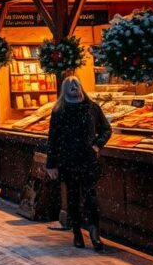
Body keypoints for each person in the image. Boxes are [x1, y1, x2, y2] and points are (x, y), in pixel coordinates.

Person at [45, 76, 111, 250]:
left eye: (77, 85)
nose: (74, 88)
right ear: (65, 90)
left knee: (91, 197)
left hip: (88, 160)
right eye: (71, 86)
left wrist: (97, 144)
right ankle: (76, 233)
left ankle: (95, 233)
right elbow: (53, 138)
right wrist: (51, 163)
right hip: (68, 160)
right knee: (73, 198)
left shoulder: (91, 108)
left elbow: (106, 129)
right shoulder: (59, 110)